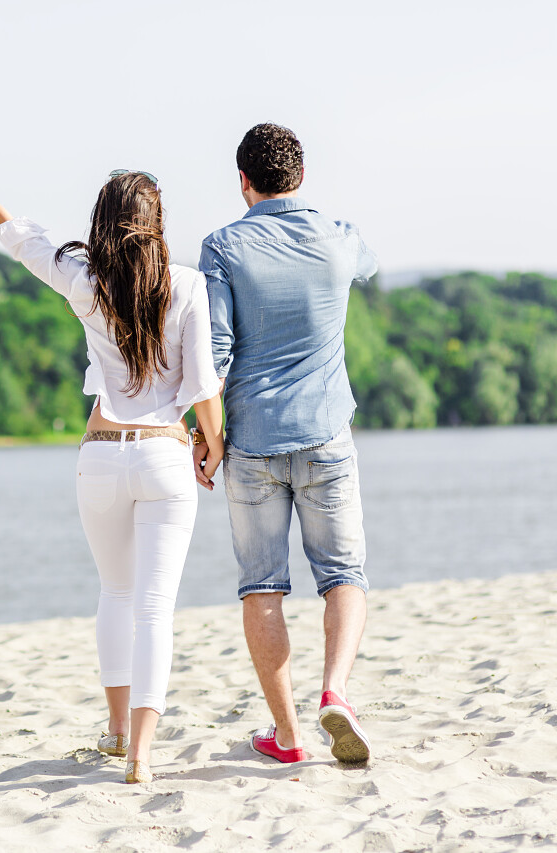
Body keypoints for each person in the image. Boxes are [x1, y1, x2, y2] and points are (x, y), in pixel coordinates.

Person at [0, 129, 224, 783]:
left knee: (116, 591)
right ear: (157, 226)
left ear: (103, 223)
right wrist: (215, 446)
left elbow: (10, 227)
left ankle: (118, 731)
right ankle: (145, 754)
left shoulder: (82, 279)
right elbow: (204, 385)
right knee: (154, 604)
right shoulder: (186, 286)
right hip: (162, 456)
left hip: (99, 456)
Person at [198, 123, 376, 765]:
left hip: (251, 442)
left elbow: (212, 354)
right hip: (327, 434)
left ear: (242, 182)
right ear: (300, 176)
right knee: (344, 575)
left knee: (262, 587)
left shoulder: (222, 247)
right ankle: (336, 691)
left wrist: (208, 438)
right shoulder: (339, 237)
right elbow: (368, 261)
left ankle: (290, 735)